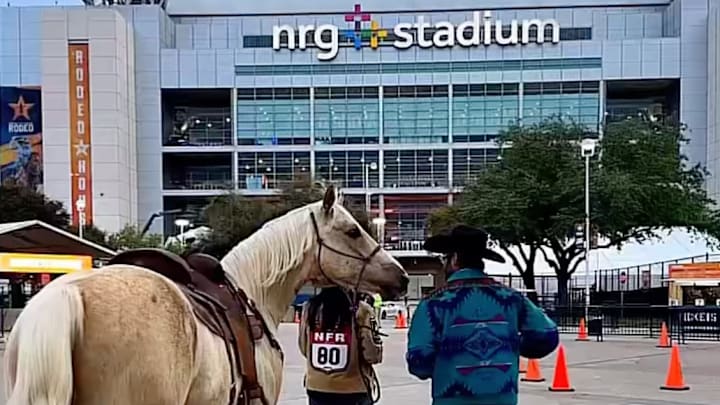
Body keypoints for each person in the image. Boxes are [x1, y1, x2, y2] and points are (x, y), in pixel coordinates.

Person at [406, 225, 559, 405]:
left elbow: (419, 361)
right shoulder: (511, 298)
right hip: (503, 399)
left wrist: (446, 367)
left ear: (454, 259)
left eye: (445, 259)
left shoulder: (434, 304)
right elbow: (546, 336)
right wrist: (512, 348)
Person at [299, 287, 383, 405]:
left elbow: (304, 348)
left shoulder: (310, 308)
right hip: (353, 389)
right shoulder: (361, 310)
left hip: (317, 387)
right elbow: (371, 355)